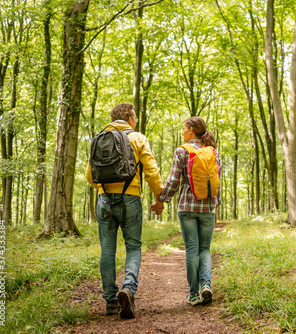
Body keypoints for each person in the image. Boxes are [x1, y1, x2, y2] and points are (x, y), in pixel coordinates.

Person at [86, 103, 163, 319]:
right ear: (129, 118)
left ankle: (110, 301)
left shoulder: (99, 139)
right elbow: (152, 172)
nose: (136, 121)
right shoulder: (138, 138)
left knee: (107, 250)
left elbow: (90, 176)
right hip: (131, 199)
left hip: (104, 200)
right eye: (135, 117)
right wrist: (159, 198)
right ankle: (128, 289)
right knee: (133, 247)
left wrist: (104, 189)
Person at [152, 116, 222, 306]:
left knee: (192, 249)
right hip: (207, 207)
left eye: (184, 128)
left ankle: (193, 294)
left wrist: (161, 200)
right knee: (205, 249)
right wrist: (216, 204)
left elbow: (173, 181)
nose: (182, 132)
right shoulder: (212, 152)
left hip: (187, 208)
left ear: (191, 130)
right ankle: (206, 285)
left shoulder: (181, 151)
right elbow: (217, 182)